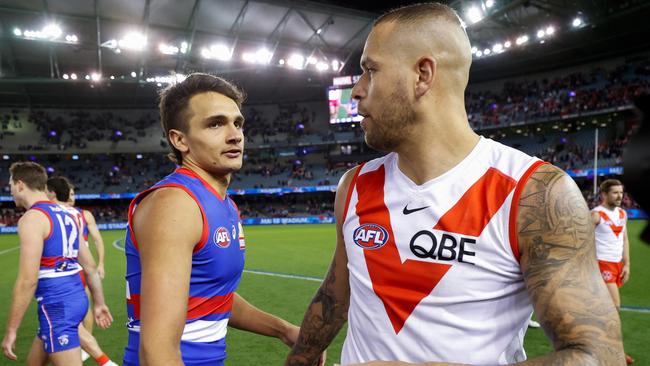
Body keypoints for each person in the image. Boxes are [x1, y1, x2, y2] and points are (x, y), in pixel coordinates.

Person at [285, 3, 624, 365]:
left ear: (423, 74)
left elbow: (599, 356)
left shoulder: (535, 193)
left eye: (370, 70)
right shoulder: (353, 186)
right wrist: (299, 359)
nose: (357, 91)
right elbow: (336, 294)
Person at [122, 73, 324, 366]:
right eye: (215, 123)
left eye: (237, 122)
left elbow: (213, 298)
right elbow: (158, 351)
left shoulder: (222, 203)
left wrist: (284, 330)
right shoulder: (176, 203)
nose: (235, 134)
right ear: (180, 140)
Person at [1, 162, 113, 365]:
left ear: (20, 184)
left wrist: (11, 331)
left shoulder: (32, 219)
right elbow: (89, 267)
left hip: (57, 307)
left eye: (10, 185)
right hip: (76, 299)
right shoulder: (70, 215)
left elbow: (28, 280)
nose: (10, 191)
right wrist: (99, 303)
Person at [46, 177, 117, 366]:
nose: (72, 197)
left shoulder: (81, 215)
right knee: (60, 318)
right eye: (70, 193)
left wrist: (100, 263)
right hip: (70, 269)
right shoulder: (59, 213)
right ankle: (89, 351)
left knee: (73, 313)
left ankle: (90, 349)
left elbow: (97, 240)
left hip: (76, 269)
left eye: (73, 193)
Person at [591, 179, 633, 364]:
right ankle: (616, 353)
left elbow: (625, 239)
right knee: (614, 308)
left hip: (616, 266)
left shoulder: (623, 214)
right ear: (604, 194)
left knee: (601, 311)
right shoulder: (596, 215)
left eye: (621, 193)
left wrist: (627, 264)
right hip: (602, 265)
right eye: (615, 193)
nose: (619, 196)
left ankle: (595, 348)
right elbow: (581, 239)